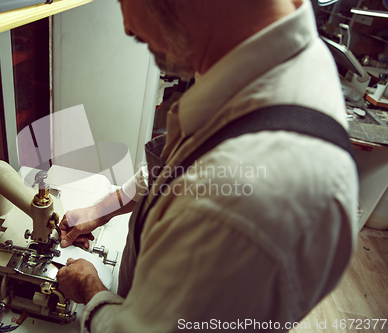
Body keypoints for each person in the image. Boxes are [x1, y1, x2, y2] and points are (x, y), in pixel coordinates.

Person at [56, 0, 358, 332]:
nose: (127, 27)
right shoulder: (265, 61)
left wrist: (91, 290)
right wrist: (103, 208)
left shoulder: (236, 206)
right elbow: (182, 167)